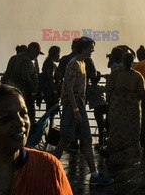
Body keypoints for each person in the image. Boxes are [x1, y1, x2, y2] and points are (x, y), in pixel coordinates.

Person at [53, 37, 113, 186]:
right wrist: (75, 110)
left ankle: (94, 175)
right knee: (65, 139)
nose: (93, 50)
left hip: (79, 105)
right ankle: (50, 169)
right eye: (91, 47)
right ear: (84, 48)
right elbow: (68, 88)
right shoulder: (74, 64)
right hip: (72, 106)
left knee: (86, 139)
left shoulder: (82, 63)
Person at [106, 52, 145, 165]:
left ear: (123, 62)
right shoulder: (137, 76)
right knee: (131, 132)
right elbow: (143, 93)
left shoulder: (115, 74)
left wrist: (113, 101)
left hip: (116, 109)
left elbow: (108, 90)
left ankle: (115, 156)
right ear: (132, 62)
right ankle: (131, 158)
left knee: (116, 130)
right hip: (132, 110)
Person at [2, 42, 43, 127]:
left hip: (10, 94)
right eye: (37, 54)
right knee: (28, 119)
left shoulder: (13, 58)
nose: (36, 56)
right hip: (24, 96)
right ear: (32, 51)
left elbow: (6, 75)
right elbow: (26, 78)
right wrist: (34, 92)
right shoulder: (27, 61)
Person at [39, 45, 61, 128]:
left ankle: (49, 127)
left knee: (49, 110)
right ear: (55, 54)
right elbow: (50, 78)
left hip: (47, 90)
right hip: (50, 91)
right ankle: (49, 128)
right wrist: (55, 91)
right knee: (51, 110)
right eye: (58, 54)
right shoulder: (50, 64)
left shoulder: (47, 62)